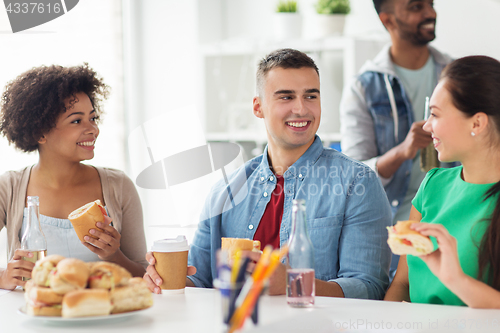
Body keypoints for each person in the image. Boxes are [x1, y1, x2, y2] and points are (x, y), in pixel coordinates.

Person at [144, 48, 393, 300]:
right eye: (286, 97)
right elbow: (201, 280)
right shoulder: (224, 192)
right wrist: (164, 280)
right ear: (258, 106)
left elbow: (369, 287)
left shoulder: (358, 183)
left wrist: (293, 284)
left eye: (310, 96)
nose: (301, 109)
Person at [0, 64, 147, 290]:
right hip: (35, 320)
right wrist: (3, 277)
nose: (93, 129)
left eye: (93, 118)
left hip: (104, 318)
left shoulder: (118, 186)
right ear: (39, 132)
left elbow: (144, 275)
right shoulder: (8, 188)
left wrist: (113, 256)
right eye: (77, 121)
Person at [339, 0, 453, 275]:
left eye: (430, 4)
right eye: (416, 7)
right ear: (387, 20)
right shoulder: (363, 87)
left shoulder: (455, 75)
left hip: (451, 228)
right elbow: (352, 176)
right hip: (392, 238)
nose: (430, 13)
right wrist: (403, 150)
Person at [385, 55, 500, 308]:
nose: (427, 126)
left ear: (477, 123)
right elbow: (401, 285)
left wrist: (455, 279)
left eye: (435, 115)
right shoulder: (432, 185)